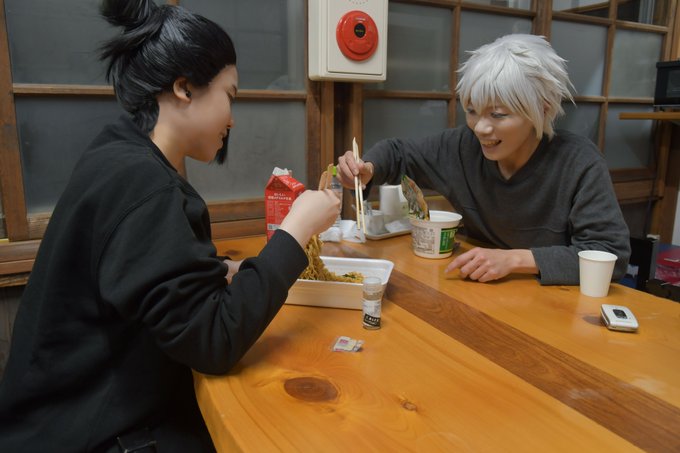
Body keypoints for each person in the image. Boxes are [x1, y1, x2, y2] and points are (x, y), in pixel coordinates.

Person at [0, 1, 339, 451]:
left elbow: (149, 276)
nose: (232, 118)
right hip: (94, 434)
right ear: (184, 88)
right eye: (229, 95)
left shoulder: (119, 155)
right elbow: (213, 341)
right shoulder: (143, 182)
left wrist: (223, 271)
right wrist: (296, 228)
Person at [337, 34, 630, 285]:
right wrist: (367, 168)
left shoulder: (578, 162)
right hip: (482, 291)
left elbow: (610, 256)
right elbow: (399, 153)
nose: (480, 128)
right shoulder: (462, 146)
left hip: (557, 305)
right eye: (472, 110)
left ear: (542, 109)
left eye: (498, 115)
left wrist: (515, 260)